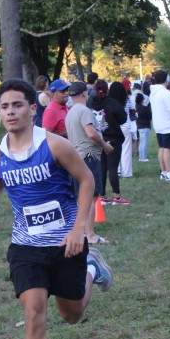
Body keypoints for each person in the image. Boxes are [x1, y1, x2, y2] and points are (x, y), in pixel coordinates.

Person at [0, 78, 113, 339]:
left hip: (66, 243)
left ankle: (92, 269)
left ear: (32, 109)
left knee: (72, 315)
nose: (10, 112)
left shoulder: (55, 145)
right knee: (34, 312)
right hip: (26, 247)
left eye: (17, 105)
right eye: (4, 107)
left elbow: (86, 180)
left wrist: (79, 229)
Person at [66, 81, 113, 244]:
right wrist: (105, 145)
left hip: (75, 158)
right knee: (92, 197)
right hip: (88, 156)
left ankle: (82, 232)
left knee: (81, 197)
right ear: (84, 94)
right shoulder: (84, 111)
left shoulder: (70, 112)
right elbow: (91, 133)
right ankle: (90, 235)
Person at [94, 80, 129, 204]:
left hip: (98, 139)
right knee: (113, 167)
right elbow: (123, 118)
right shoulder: (112, 103)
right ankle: (116, 196)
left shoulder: (90, 104)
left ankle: (102, 195)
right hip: (113, 138)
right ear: (107, 90)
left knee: (102, 168)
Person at [150, 70, 170, 181]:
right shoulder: (166, 93)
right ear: (166, 79)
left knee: (162, 148)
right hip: (168, 124)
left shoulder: (153, 93)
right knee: (168, 149)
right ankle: (169, 172)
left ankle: (163, 172)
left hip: (158, 124)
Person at [135, 88, 152, 162]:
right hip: (145, 125)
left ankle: (140, 157)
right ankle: (144, 157)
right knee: (145, 142)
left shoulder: (136, 108)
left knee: (141, 142)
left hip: (139, 125)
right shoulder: (144, 108)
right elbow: (149, 116)